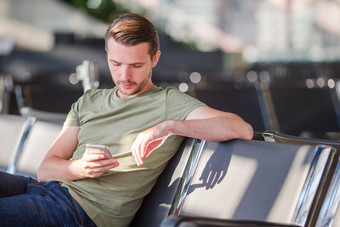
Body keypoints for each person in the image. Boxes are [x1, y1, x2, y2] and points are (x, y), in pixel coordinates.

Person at [0, 13, 253, 226]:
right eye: (116, 63)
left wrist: (170, 126)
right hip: (42, 189)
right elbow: (45, 170)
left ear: (154, 59)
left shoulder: (168, 102)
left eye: (136, 65)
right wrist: (81, 168)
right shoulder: (89, 101)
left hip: (78, 213)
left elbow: (241, 129)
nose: (125, 75)